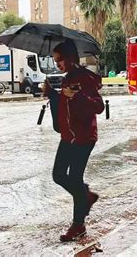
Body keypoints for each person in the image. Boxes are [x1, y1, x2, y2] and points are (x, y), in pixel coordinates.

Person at [43, 39, 104, 242]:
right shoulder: (66, 78)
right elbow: (64, 105)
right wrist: (52, 94)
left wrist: (75, 96)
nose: (57, 64)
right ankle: (85, 196)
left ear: (70, 57)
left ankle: (78, 226)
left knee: (75, 179)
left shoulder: (85, 77)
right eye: (55, 60)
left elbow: (98, 106)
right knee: (58, 175)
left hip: (84, 137)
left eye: (60, 60)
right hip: (68, 136)